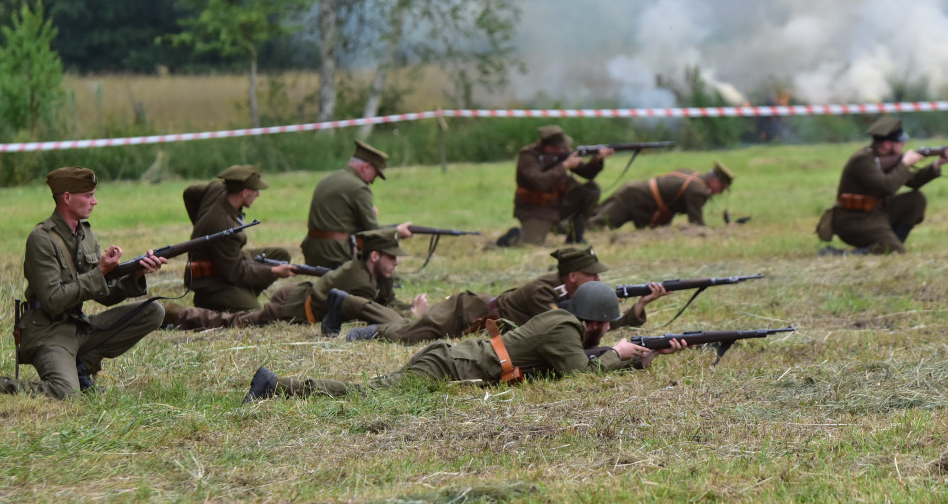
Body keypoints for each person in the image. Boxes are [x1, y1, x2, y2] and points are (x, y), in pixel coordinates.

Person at [0, 167, 166, 399]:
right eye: (88, 195)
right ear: (67, 197)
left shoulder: (85, 234)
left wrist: (136, 274)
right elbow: (54, 300)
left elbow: (104, 296)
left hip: (78, 327)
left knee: (153, 312)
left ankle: (80, 367)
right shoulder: (41, 240)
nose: (94, 201)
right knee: (67, 395)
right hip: (47, 333)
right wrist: (101, 271)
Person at [245, 281, 685, 400]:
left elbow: (578, 362)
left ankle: (278, 387)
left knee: (371, 392)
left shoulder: (561, 323)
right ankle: (277, 386)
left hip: (453, 361)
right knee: (366, 394)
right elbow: (579, 374)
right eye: (606, 326)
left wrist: (636, 357)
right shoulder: (565, 329)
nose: (609, 332)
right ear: (592, 321)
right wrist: (621, 355)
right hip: (448, 365)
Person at [344, 244, 667, 344]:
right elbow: (565, 331)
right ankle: (371, 329)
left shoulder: (567, 293)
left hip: (485, 324)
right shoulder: (545, 291)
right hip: (466, 312)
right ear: (572, 276)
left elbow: (594, 328)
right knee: (407, 337)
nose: (598, 279)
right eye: (592, 275)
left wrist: (636, 308)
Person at [162, 228, 427, 337]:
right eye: (391, 258)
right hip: (293, 306)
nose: (396, 263)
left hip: (297, 298)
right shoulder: (361, 280)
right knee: (232, 323)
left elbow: (383, 302)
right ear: (374, 255)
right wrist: (410, 316)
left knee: (236, 320)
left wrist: (408, 309)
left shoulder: (366, 273)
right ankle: (175, 316)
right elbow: (375, 310)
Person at [817, 116, 946, 254]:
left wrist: (938, 163)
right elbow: (887, 187)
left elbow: (914, 182)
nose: (904, 144)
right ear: (886, 144)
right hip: (853, 220)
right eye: (900, 141)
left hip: (875, 213)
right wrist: (904, 163)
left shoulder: (887, 159)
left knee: (916, 200)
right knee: (895, 250)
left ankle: (892, 244)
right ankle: (840, 254)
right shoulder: (862, 160)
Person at [185, 165, 297, 312]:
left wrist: (200, 224)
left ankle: (243, 293)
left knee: (280, 256)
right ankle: (212, 301)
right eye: (255, 191)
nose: (258, 194)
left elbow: (189, 193)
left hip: (225, 264)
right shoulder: (222, 226)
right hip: (210, 282)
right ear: (244, 193)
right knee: (252, 314)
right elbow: (236, 273)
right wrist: (274, 271)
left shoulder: (217, 189)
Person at [300, 139, 412, 268]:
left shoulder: (327, 179)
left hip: (313, 253)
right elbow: (373, 233)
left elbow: (338, 219)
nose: (372, 181)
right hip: (337, 255)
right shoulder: (359, 188)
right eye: (375, 175)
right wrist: (397, 233)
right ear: (366, 167)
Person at [497, 125, 613, 247]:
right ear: (548, 147)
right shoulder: (528, 156)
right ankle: (515, 235)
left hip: (558, 205)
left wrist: (597, 160)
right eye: (560, 148)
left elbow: (588, 173)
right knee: (532, 244)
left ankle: (575, 236)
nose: (565, 150)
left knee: (591, 189)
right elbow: (539, 182)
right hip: (534, 209)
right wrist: (565, 166)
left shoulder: (562, 155)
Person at [591, 161, 734, 229]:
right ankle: (571, 231)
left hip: (634, 191)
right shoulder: (697, 190)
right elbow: (696, 225)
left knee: (594, 215)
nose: (720, 192)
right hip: (635, 199)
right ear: (715, 181)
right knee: (598, 225)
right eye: (722, 188)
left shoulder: (692, 174)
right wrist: (722, 231)